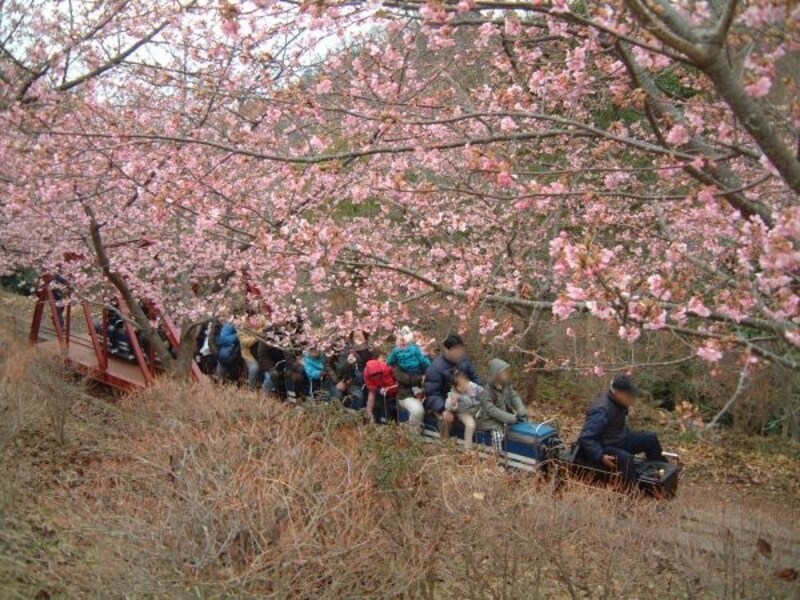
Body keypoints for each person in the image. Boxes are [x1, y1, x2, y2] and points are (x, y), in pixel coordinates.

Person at [577, 374, 666, 485]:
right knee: (626, 460)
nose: (632, 399)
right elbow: (585, 438)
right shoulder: (601, 410)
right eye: (629, 396)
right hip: (606, 446)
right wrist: (600, 456)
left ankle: (662, 475)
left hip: (621, 438)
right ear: (617, 393)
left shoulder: (620, 402)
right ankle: (634, 493)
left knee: (650, 439)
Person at [424, 333, 482, 437]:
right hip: (444, 402)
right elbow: (432, 394)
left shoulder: (464, 361)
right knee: (446, 419)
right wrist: (443, 409)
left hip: (465, 399)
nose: (459, 353)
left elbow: (475, 378)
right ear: (447, 350)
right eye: (456, 349)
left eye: (461, 349)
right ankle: (445, 446)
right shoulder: (435, 368)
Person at [477, 358, 529, 451]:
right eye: (504, 372)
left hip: (506, 417)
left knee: (524, 425)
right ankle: (498, 456)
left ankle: (521, 450)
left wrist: (520, 409)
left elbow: (514, 397)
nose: (507, 374)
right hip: (491, 421)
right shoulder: (487, 392)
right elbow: (491, 410)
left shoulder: (506, 385)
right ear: (496, 374)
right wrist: (510, 418)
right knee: (498, 435)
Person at [444, 370, 488, 450]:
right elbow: (448, 406)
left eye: (465, 383)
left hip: (477, 410)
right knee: (471, 425)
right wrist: (453, 403)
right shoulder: (453, 393)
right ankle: (468, 448)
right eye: (461, 386)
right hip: (464, 412)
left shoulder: (473, 387)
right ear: (455, 387)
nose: (465, 386)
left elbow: (484, 395)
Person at [334, 329, 375, 408]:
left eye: (360, 335)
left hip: (370, 381)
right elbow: (339, 369)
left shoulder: (372, 349)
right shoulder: (346, 350)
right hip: (353, 382)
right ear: (352, 338)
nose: (358, 338)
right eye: (355, 336)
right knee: (359, 396)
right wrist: (348, 363)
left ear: (365, 337)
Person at [364, 351, 398, 422]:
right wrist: (379, 390)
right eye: (373, 376)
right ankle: (371, 417)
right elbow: (371, 387)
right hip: (380, 389)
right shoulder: (367, 374)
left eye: (377, 374)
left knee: (392, 404)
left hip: (393, 388)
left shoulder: (386, 367)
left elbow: (397, 375)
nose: (376, 377)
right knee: (374, 400)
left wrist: (395, 385)